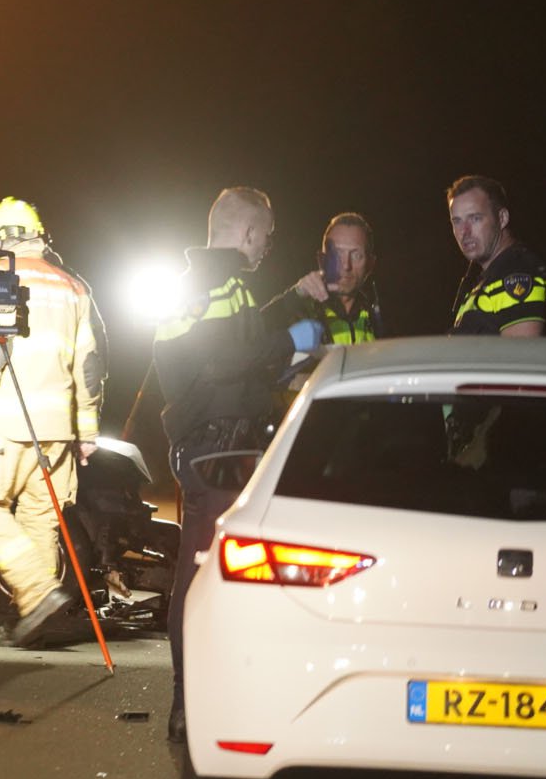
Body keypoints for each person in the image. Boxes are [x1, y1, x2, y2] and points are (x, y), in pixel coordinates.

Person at [153, 187, 317, 743]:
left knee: (223, 575)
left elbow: (237, 348)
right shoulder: (211, 284)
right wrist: (285, 343)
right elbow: (226, 359)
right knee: (200, 576)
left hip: (228, 447)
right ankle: (188, 703)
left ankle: (214, 696)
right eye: (267, 235)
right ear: (248, 233)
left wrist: (288, 318)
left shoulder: (220, 284)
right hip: (214, 452)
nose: (269, 245)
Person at [0, 199, 105, 647]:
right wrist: (87, 431)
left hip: (9, 419)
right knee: (40, 518)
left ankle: (39, 592)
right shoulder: (73, 286)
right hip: (58, 426)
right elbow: (90, 366)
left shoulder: (0, 279)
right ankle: (37, 619)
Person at [446, 176, 546, 336]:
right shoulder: (490, 278)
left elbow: (521, 356)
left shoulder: (516, 274)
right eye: (457, 221)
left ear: (502, 218)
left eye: (475, 219)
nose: (465, 232)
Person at [264, 213, 383, 344]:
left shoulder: (380, 315)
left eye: (356, 255)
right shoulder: (301, 310)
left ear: (371, 264)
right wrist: (295, 296)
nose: (346, 265)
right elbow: (251, 335)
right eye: (337, 255)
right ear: (321, 260)